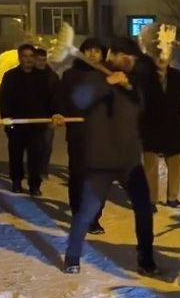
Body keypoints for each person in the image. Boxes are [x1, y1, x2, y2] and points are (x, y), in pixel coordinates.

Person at [61, 36, 158, 275]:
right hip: (100, 161)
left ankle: (146, 258)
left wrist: (128, 84)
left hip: (130, 161)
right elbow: (79, 99)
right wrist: (107, 82)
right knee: (86, 212)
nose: (127, 62)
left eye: (130, 59)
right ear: (112, 56)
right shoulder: (95, 77)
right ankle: (72, 256)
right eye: (122, 57)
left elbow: (144, 99)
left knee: (144, 210)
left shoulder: (136, 83)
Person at [57, 38, 106, 235]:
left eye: (97, 51)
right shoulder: (70, 75)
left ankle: (94, 218)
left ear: (103, 54)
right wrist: (59, 113)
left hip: (103, 136)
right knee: (78, 176)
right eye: (89, 50)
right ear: (82, 53)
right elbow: (61, 99)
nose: (93, 54)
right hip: (79, 134)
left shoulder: (109, 75)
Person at [140, 46, 180, 211]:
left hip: (173, 126)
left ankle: (172, 197)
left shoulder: (178, 76)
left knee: (175, 164)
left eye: (165, 54)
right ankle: (150, 200)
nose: (161, 58)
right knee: (150, 166)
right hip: (150, 127)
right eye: (158, 54)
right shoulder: (144, 77)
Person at [0, 43, 56, 196]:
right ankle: (16, 181)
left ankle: (34, 184)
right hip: (16, 124)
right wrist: (6, 118)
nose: (28, 59)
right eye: (25, 56)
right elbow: (4, 99)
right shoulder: (10, 76)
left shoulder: (42, 77)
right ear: (19, 58)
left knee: (35, 156)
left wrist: (52, 114)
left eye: (31, 56)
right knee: (15, 155)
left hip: (37, 125)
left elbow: (50, 99)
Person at [35, 47, 56, 173]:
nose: (41, 62)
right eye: (39, 60)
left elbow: (58, 97)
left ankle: (43, 169)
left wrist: (56, 113)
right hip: (32, 116)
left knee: (47, 144)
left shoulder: (52, 76)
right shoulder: (28, 75)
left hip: (48, 117)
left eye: (44, 60)